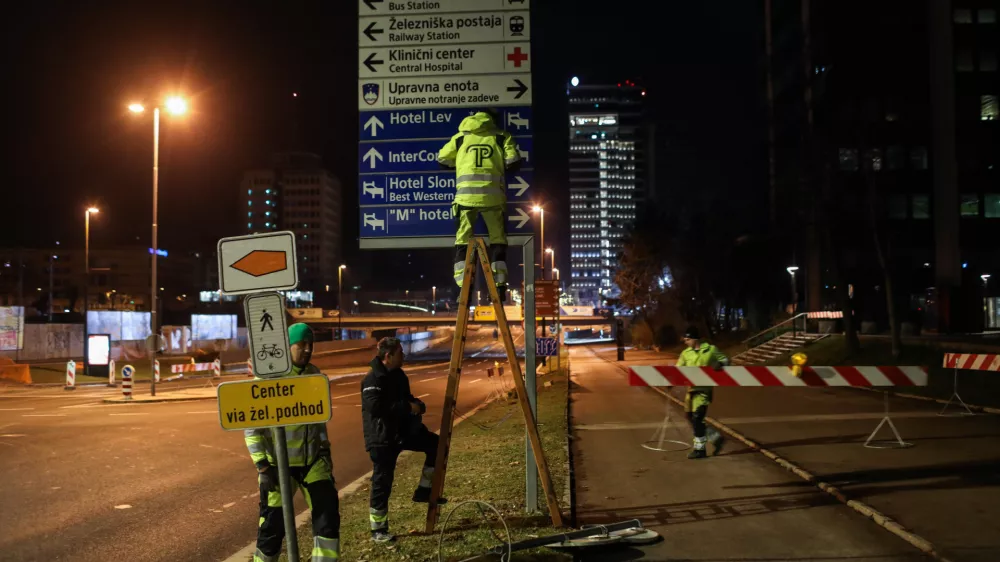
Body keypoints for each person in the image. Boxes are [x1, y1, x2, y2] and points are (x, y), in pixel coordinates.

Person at [244, 323, 340, 562]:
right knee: (272, 529)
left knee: (328, 517)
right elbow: (252, 428)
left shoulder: (315, 374)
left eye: (311, 344)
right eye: (301, 344)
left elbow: (319, 421)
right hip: (278, 469)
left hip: (313, 463)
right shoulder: (268, 377)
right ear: (287, 346)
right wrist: (262, 466)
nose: (307, 349)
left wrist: (324, 451)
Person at [361, 337, 448, 543]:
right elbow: (376, 408)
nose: (404, 356)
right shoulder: (372, 379)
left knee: (437, 445)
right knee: (382, 483)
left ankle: (424, 491)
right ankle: (378, 530)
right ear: (388, 356)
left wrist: (417, 404)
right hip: (382, 438)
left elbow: (406, 398)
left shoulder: (399, 375)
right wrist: (408, 407)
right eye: (400, 353)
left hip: (403, 432)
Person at [437, 109, 523, 301]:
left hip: (465, 198)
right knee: (498, 241)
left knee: (462, 240)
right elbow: (513, 161)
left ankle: (464, 288)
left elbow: (442, 159)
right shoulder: (502, 137)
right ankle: (499, 288)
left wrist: (461, 163)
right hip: (493, 198)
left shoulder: (460, 138)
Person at [677, 326, 727, 459]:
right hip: (690, 391)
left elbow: (726, 360)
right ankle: (715, 437)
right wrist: (671, 380)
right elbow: (678, 371)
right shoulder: (685, 353)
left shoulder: (711, 350)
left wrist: (720, 364)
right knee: (690, 417)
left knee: (697, 419)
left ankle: (700, 450)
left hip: (704, 391)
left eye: (687, 339)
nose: (685, 342)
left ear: (695, 339)